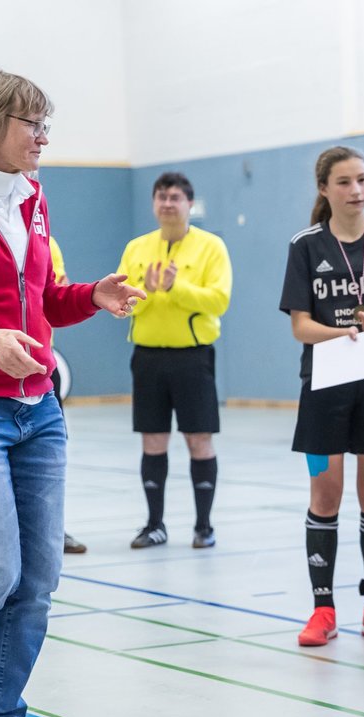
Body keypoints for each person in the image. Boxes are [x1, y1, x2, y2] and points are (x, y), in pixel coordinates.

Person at [0, 68, 143, 717]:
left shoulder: (33, 199)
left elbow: (45, 296)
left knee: (38, 580)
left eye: (46, 124)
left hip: (38, 411)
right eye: (30, 123)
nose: (42, 137)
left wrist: (92, 295)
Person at [279, 146, 364, 647]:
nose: (355, 190)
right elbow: (300, 326)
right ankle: (322, 611)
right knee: (326, 494)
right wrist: (341, 336)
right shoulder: (306, 245)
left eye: (361, 179)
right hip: (323, 388)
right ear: (324, 189)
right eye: (343, 182)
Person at [117, 172, 231, 550]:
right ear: (153, 203)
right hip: (148, 357)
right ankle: (154, 524)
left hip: (193, 358)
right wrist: (143, 292)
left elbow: (219, 300)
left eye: (176, 197)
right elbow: (121, 300)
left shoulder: (211, 247)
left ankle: (203, 526)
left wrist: (174, 288)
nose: (168, 203)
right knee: (153, 440)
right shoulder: (136, 248)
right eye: (161, 196)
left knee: (199, 439)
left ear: (189, 204)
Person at [47, 235, 86, 555]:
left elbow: (52, 295)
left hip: (42, 365)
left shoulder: (46, 238)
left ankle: (49, 528)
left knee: (49, 455)